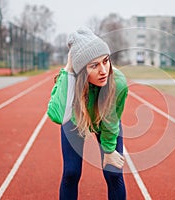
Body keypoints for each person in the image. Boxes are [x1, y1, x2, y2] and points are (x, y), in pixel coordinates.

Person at [47, 27, 128, 200]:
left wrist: (108, 150)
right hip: (76, 120)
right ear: (82, 70)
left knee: (114, 173)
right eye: (94, 65)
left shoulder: (118, 82)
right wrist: (69, 69)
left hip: (104, 121)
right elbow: (58, 116)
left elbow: (111, 120)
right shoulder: (69, 81)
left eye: (106, 61)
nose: (104, 71)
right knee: (71, 173)